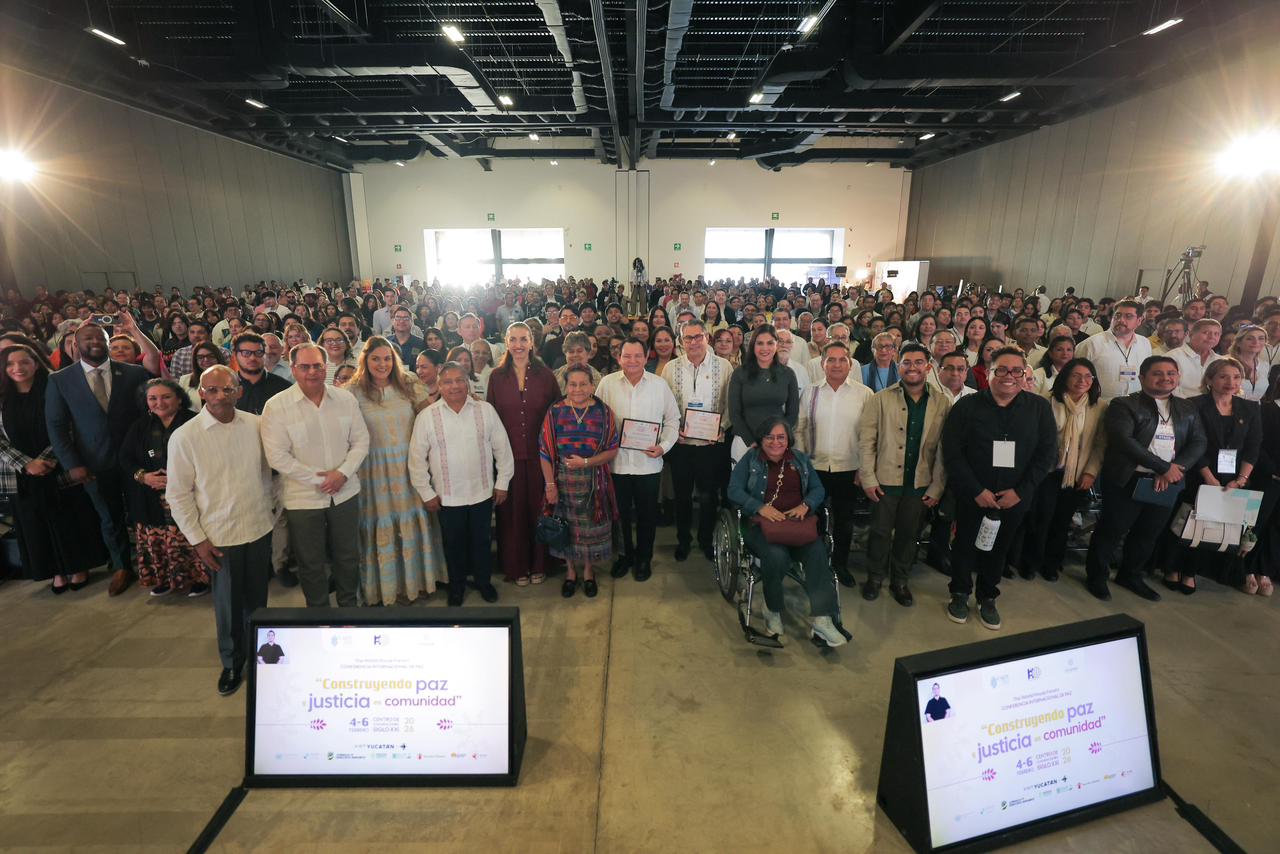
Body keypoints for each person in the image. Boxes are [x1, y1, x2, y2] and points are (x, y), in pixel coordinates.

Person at [166, 365, 275, 696]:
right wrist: (197, 539)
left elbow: (273, 472)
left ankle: (261, 657)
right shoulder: (186, 436)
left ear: (238, 391)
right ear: (200, 392)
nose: (220, 396)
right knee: (228, 603)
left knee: (257, 600)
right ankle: (231, 662)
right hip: (218, 535)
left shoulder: (257, 426)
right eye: (211, 390)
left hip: (257, 526)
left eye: (227, 389)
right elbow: (178, 493)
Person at [942, 347, 1057, 630]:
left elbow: (1046, 456)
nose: (1009, 376)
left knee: (999, 548)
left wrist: (1020, 492)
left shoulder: (1039, 408)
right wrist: (975, 490)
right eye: (1001, 370)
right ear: (989, 372)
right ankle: (959, 593)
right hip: (973, 494)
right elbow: (952, 452)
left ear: (1024, 374)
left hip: (1014, 497)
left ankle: (987, 596)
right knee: (964, 545)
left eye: (1017, 371)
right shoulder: (967, 406)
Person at [1084, 356, 1207, 602]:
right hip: (1127, 478)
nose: (1165, 378)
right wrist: (1163, 467)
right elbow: (1123, 440)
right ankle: (1097, 575)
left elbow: (1198, 441)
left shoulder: (1187, 407)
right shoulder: (1124, 404)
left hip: (1168, 482)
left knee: (1148, 532)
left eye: (1171, 373)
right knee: (1113, 529)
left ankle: (1130, 575)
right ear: (1142, 378)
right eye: (1157, 373)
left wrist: (1174, 469)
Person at [260, 343, 370, 608]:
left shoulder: (345, 400)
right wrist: (322, 479)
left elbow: (361, 441)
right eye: (305, 367)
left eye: (317, 366)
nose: (312, 372)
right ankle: (318, 614)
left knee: (348, 556)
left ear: (325, 367)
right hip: (303, 498)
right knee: (311, 561)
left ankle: (348, 610)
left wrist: (342, 474)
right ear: (294, 369)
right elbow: (277, 456)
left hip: (345, 493)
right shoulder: (277, 406)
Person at [45, 322, 151, 595]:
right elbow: (56, 426)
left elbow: (147, 418)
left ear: (107, 341)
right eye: (87, 338)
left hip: (135, 460)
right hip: (93, 463)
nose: (94, 342)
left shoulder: (134, 373)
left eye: (100, 337)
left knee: (144, 511)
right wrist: (73, 465)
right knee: (109, 516)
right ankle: (121, 566)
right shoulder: (60, 380)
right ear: (75, 345)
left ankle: (151, 562)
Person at [726, 417, 846, 647]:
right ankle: (772, 609)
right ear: (761, 440)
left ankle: (822, 618)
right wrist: (760, 507)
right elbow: (733, 490)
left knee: (818, 553)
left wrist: (807, 505)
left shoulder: (799, 459)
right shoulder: (751, 459)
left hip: (797, 525)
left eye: (781, 437)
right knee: (776, 556)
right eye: (769, 437)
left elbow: (818, 488)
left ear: (788, 439)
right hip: (761, 526)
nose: (775, 442)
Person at [0, 344, 106, 592]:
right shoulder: (2, 397)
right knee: (35, 523)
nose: (18, 368)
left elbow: (67, 425)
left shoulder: (53, 388)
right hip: (20, 473)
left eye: (24, 362)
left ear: (36, 363)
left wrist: (47, 459)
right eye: (10, 364)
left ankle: (78, 567)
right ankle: (55, 571)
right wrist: (26, 464)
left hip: (57, 465)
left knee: (68, 518)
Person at [347, 337, 443, 605]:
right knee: (380, 522)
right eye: (376, 358)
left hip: (408, 466)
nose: (382, 364)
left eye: (387, 358)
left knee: (412, 521)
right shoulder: (352, 391)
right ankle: (384, 589)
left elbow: (430, 418)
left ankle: (418, 583)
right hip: (372, 470)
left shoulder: (409, 382)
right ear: (365, 360)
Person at [409, 362, 514, 606]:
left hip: (482, 493)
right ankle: (456, 587)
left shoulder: (485, 410)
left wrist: (502, 483)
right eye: (448, 381)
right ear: (439, 384)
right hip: (447, 496)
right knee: (453, 543)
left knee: (482, 541)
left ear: (467, 383)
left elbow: (502, 448)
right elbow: (416, 460)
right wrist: (426, 492)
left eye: (459, 380)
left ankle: (484, 582)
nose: (454, 386)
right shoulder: (427, 417)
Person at [858, 343, 949, 605]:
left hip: (920, 482)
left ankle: (900, 579)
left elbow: (944, 450)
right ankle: (875, 577)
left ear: (928, 367)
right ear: (899, 366)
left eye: (918, 362)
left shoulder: (942, 403)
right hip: (885, 481)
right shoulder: (880, 399)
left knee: (909, 536)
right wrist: (868, 479)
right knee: (880, 532)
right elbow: (866, 443)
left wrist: (937, 487)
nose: (912, 367)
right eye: (907, 362)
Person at [1163, 358, 1260, 594]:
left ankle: (1191, 571)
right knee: (1184, 522)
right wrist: (1208, 476)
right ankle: (1171, 567)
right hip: (1198, 472)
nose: (1230, 382)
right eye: (1223, 377)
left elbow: (1253, 446)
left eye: (1236, 377)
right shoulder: (1194, 405)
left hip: (1233, 479)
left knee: (1212, 526)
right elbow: (1191, 442)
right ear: (1210, 379)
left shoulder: (1249, 408)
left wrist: (1242, 479)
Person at [596, 338, 680, 581]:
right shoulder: (607, 384)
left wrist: (663, 447)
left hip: (648, 464)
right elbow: (598, 419)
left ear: (646, 358)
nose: (632, 361)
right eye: (627, 356)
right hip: (616, 464)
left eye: (637, 356)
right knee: (619, 515)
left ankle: (644, 558)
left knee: (647, 515)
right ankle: (624, 556)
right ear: (618, 357)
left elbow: (673, 420)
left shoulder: (659, 385)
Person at [1017, 359, 1107, 582]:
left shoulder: (1099, 407)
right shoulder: (1047, 401)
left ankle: (1052, 563)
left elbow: (1100, 444)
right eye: (1076, 375)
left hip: (1077, 473)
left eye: (1088, 377)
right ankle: (1030, 561)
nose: (1081, 381)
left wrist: (1090, 472)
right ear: (1065, 377)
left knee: (1063, 520)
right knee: (1041, 518)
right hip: (1047, 472)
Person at [487, 322, 560, 586]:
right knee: (512, 516)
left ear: (532, 342)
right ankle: (517, 567)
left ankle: (540, 563)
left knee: (539, 511)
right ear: (506, 343)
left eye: (523, 339)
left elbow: (556, 417)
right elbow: (491, 420)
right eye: (513, 339)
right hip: (508, 459)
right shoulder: (496, 377)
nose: (518, 345)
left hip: (541, 458)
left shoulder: (546, 376)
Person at [539, 365, 621, 598]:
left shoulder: (604, 412)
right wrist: (550, 486)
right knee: (567, 529)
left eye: (583, 384)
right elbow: (544, 451)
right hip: (562, 480)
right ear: (565, 386)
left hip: (594, 481)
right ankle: (570, 572)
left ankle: (588, 571)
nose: (578, 389)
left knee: (590, 530)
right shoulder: (554, 411)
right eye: (572, 384)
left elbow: (613, 449)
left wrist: (586, 462)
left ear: (592, 386)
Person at [796, 341, 873, 587]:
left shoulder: (864, 394)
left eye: (842, 360)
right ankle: (815, 564)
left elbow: (870, 435)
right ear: (823, 363)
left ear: (850, 364)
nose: (837, 364)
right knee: (813, 519)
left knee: (844, 521)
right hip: (815, 467)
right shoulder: (811, 391)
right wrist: (801, 463)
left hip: (849, 468)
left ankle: (840, 564)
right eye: (832, 359)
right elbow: (800, 428)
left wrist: (864, 468)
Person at [119, 378, 205, 596]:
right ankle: (165, 578)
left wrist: (181, 477)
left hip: (189, 494)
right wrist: (143, 476)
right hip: (150, 496)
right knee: (157, 538)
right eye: (153, 398)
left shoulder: (195, 422)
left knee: (188, 536)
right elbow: (125, 458)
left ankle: (199, 579)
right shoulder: (139, 426)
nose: (160, 403)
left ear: (179, 398)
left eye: (166, 397)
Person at [661, 320, 732, 562]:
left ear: (707, 338)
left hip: (711, 447)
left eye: (698, 336)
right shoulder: (670, 368)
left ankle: (705, 540)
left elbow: (730, 405)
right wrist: (673, 431)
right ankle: (683, 540)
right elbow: (665, 405)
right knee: (682, 496)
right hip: (681, 446)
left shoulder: (724, 367)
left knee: (708, 496)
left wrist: (720, 429)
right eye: (688, 338)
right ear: (681, 342)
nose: (693, 342)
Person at [727, 325, 799, 461]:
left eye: (770, 343)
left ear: (776, 345)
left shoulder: (788, 374)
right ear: (753, 346)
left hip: (776, 445)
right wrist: (752, 442)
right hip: (745, 442)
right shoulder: (740, 373)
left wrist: (777, 439)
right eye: (760, 343)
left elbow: (793, 413)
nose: (765, 348)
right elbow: (734, 414)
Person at [1074, 300, 1150, 401]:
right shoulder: (1091, 344)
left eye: (1128, 316)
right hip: (1100, 407)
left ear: (1139, 321)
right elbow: (1074, 378)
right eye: (1117, 315)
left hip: (1136, 407)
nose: (1121, 320)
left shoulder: (1144, 343)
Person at [230, 332, 291, 415]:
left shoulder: (284, 388)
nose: (252, 358)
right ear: (234, 355)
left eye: (258, 353)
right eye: (246, 353)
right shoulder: (227, 389)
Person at [1168, 319, 1222, 398]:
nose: (1211, 337)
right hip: (1181, 405)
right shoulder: (1172, 357)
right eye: (1206, 333)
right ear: (1190, 334)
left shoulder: (1220, 361)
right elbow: (1169, 388)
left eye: (1216, 334)